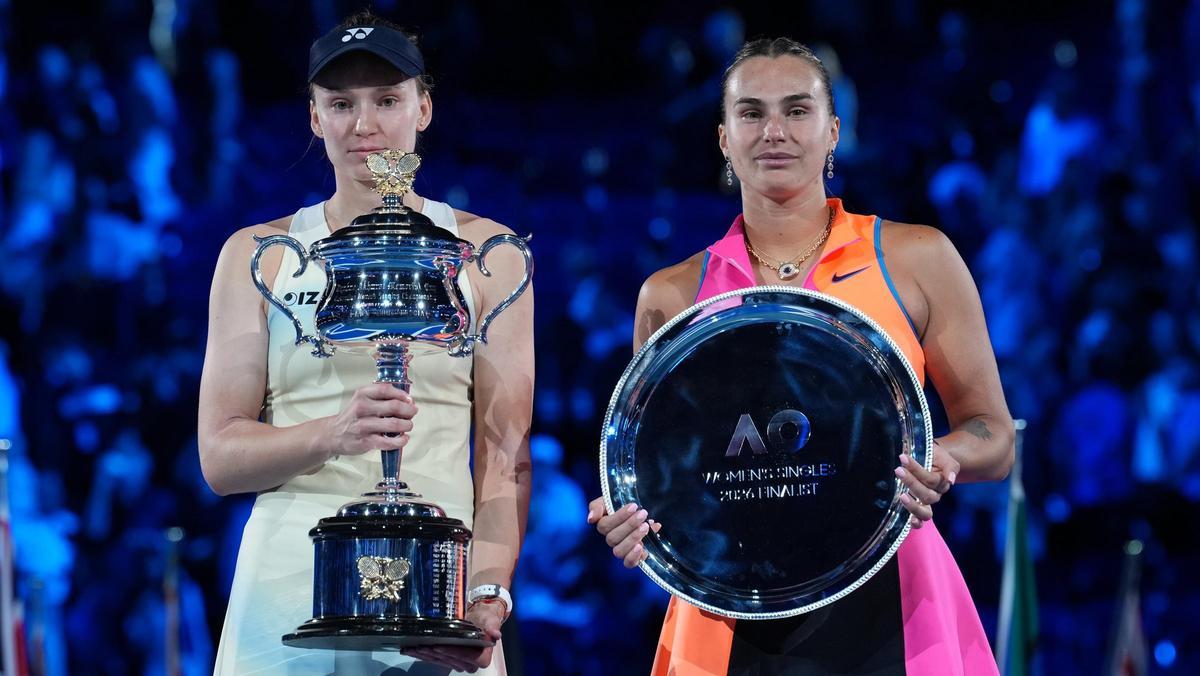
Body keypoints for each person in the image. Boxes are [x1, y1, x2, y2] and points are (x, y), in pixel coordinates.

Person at [588, 38, 1014, 675]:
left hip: (892, 594)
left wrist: (941, 457)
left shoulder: (915, 258)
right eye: (752, 113)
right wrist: (635, 518)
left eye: (797, 110)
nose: (774, 133)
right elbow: (669, 475)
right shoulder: (671, 296)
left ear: (834, 131)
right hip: (730, 618)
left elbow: (995, 436)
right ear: (724, 138)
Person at [198, 12, 533, 675]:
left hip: (438, 594)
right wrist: (333, 432)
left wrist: (488, 592)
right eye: (341, 103)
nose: (364, 123)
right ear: (315, 117)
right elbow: (219, 457)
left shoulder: (491, 257)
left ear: (424, 107)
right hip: (286, 591)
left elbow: (504, 456)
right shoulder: (258, 258)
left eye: (386, 100)